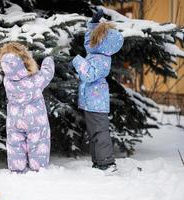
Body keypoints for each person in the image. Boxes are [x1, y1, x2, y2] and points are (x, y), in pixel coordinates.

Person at [69, 9, 124, 172]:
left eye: (95, 37)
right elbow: (89, 42)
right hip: (91, 103)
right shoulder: (96, 52)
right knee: (94, 133)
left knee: (100, 133)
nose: (90, 41)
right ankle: (98, 161)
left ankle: (107, 162)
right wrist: (93, 24)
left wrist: (76, 61)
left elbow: (89, 75)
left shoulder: (102, 59)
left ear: (102, 42)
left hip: (97, 104)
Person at [0, 42, 55, 173]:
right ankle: (37, 168)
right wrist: (48, 59)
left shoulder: (7, 81)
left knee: (15, 143)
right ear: (25, 62)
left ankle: (17, 169)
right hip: (35, 120)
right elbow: (48, 73)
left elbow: (14, 68)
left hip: (14, 120)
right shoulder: (35, 80)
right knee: (38, 140)